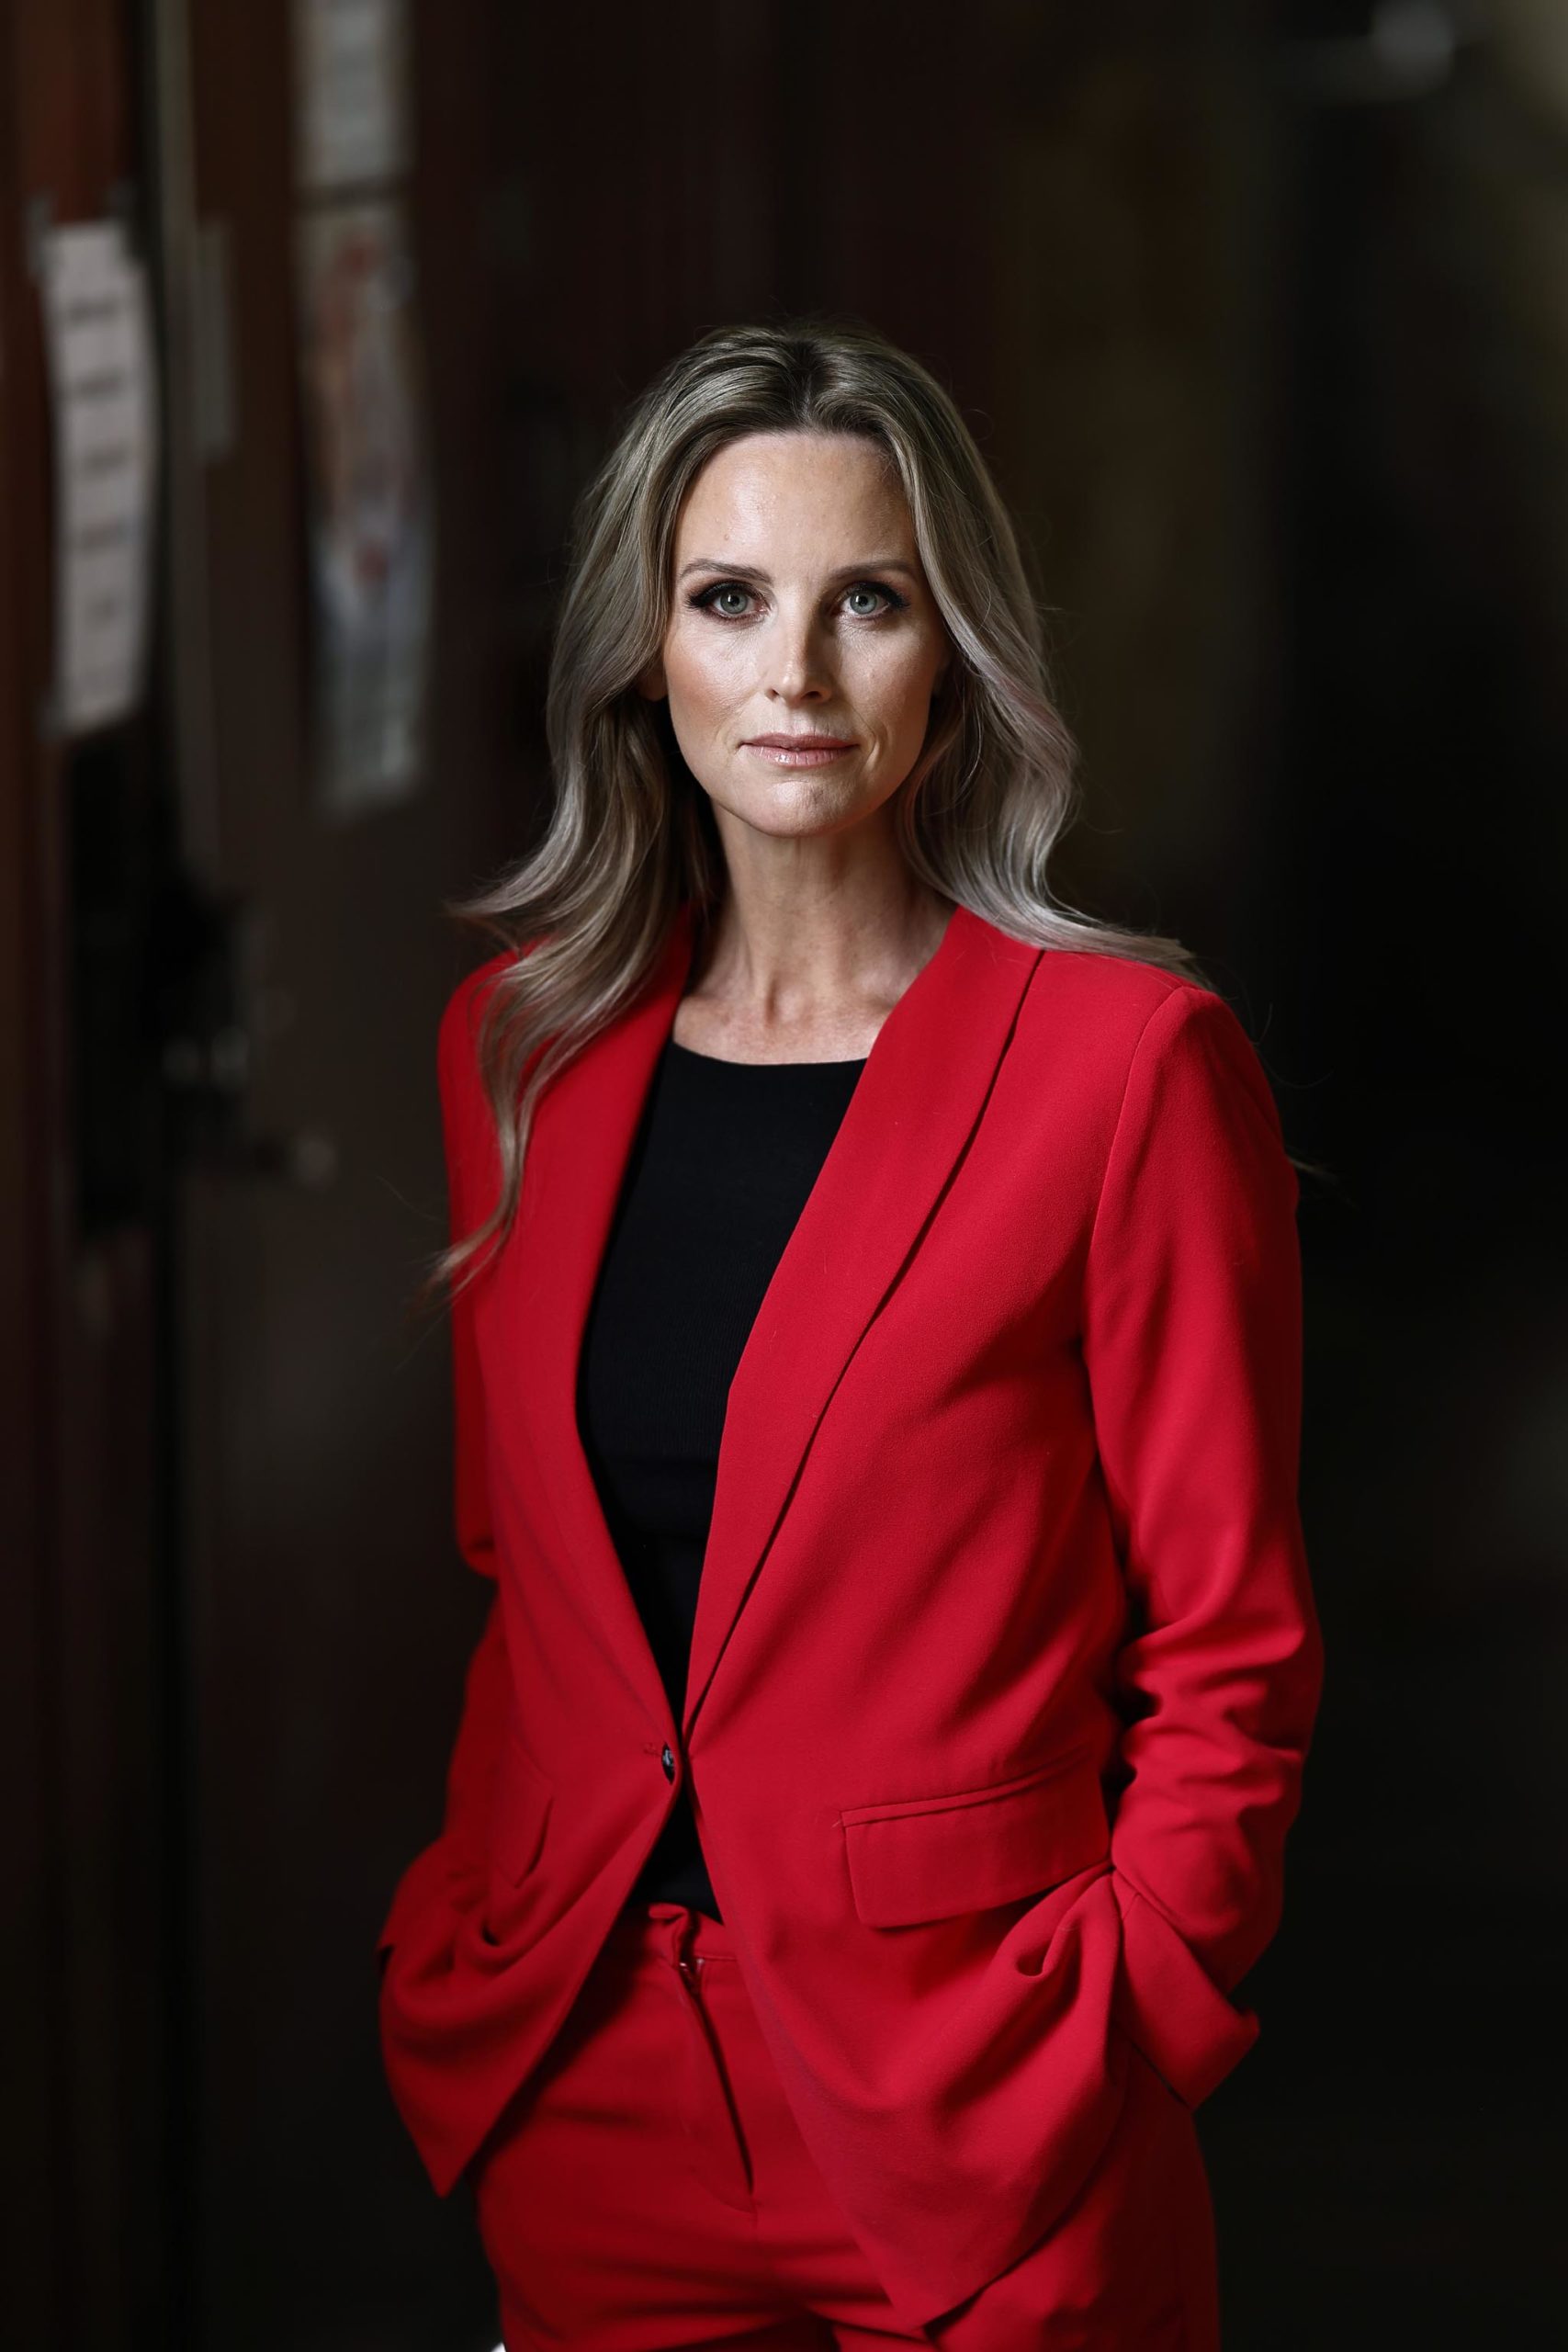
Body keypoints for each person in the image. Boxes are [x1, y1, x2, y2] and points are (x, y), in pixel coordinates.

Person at [375, 318, 1325, 2350]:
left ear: (950, 653)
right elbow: (517, 1566)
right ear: (645, 650)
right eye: (729, 599)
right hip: (588, 2074)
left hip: (988, 2086)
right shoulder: (518, 1052)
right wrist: (473, 1921)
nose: (793, 673)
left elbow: (1229, 1637)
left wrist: (1134, 2005)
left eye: (865, 602)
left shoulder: (1126, 1068)